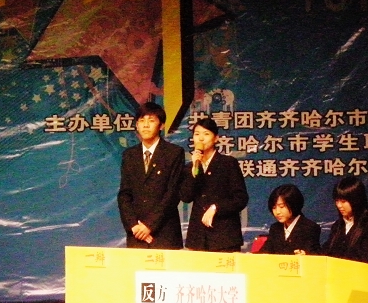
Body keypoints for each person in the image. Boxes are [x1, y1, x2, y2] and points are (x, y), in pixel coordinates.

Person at [117, 102, 185, 249]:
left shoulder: (174, 153)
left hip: (164, 234)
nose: (146, 125)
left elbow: (172, 194)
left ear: (161, 126)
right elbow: (124, 194)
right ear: (137, 125)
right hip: (137, 235)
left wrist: (149, 225)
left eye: (151, 120)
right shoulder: (129, 155)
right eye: (142, 121)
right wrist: (133, 226)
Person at [180, 118, 249, 252]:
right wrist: (195, 169)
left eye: (206, 134)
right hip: (198, 238)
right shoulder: (190, 167)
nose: (201, 138)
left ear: (216, 138)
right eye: (197, 134)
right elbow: (186, 197)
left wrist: (216, 207)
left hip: (225, 237)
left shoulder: (228, 163)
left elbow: (241, 198)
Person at [321, 175, 368, 303]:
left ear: (356, 200)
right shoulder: (338, 226)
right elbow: (326, 251)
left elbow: (364, 261)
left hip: (362, 289)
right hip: (338, 286)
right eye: (337, 201)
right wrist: (309, 256)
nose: (339, 205)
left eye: (343, 201)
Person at [258, 184, 321, 255]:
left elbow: (315, 254)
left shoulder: (310, 228)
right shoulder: (275, 228)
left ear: (294, 205)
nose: (277, 212)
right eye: (274, 207)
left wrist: (305, 255)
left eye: (281, 206)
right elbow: (265, 252)